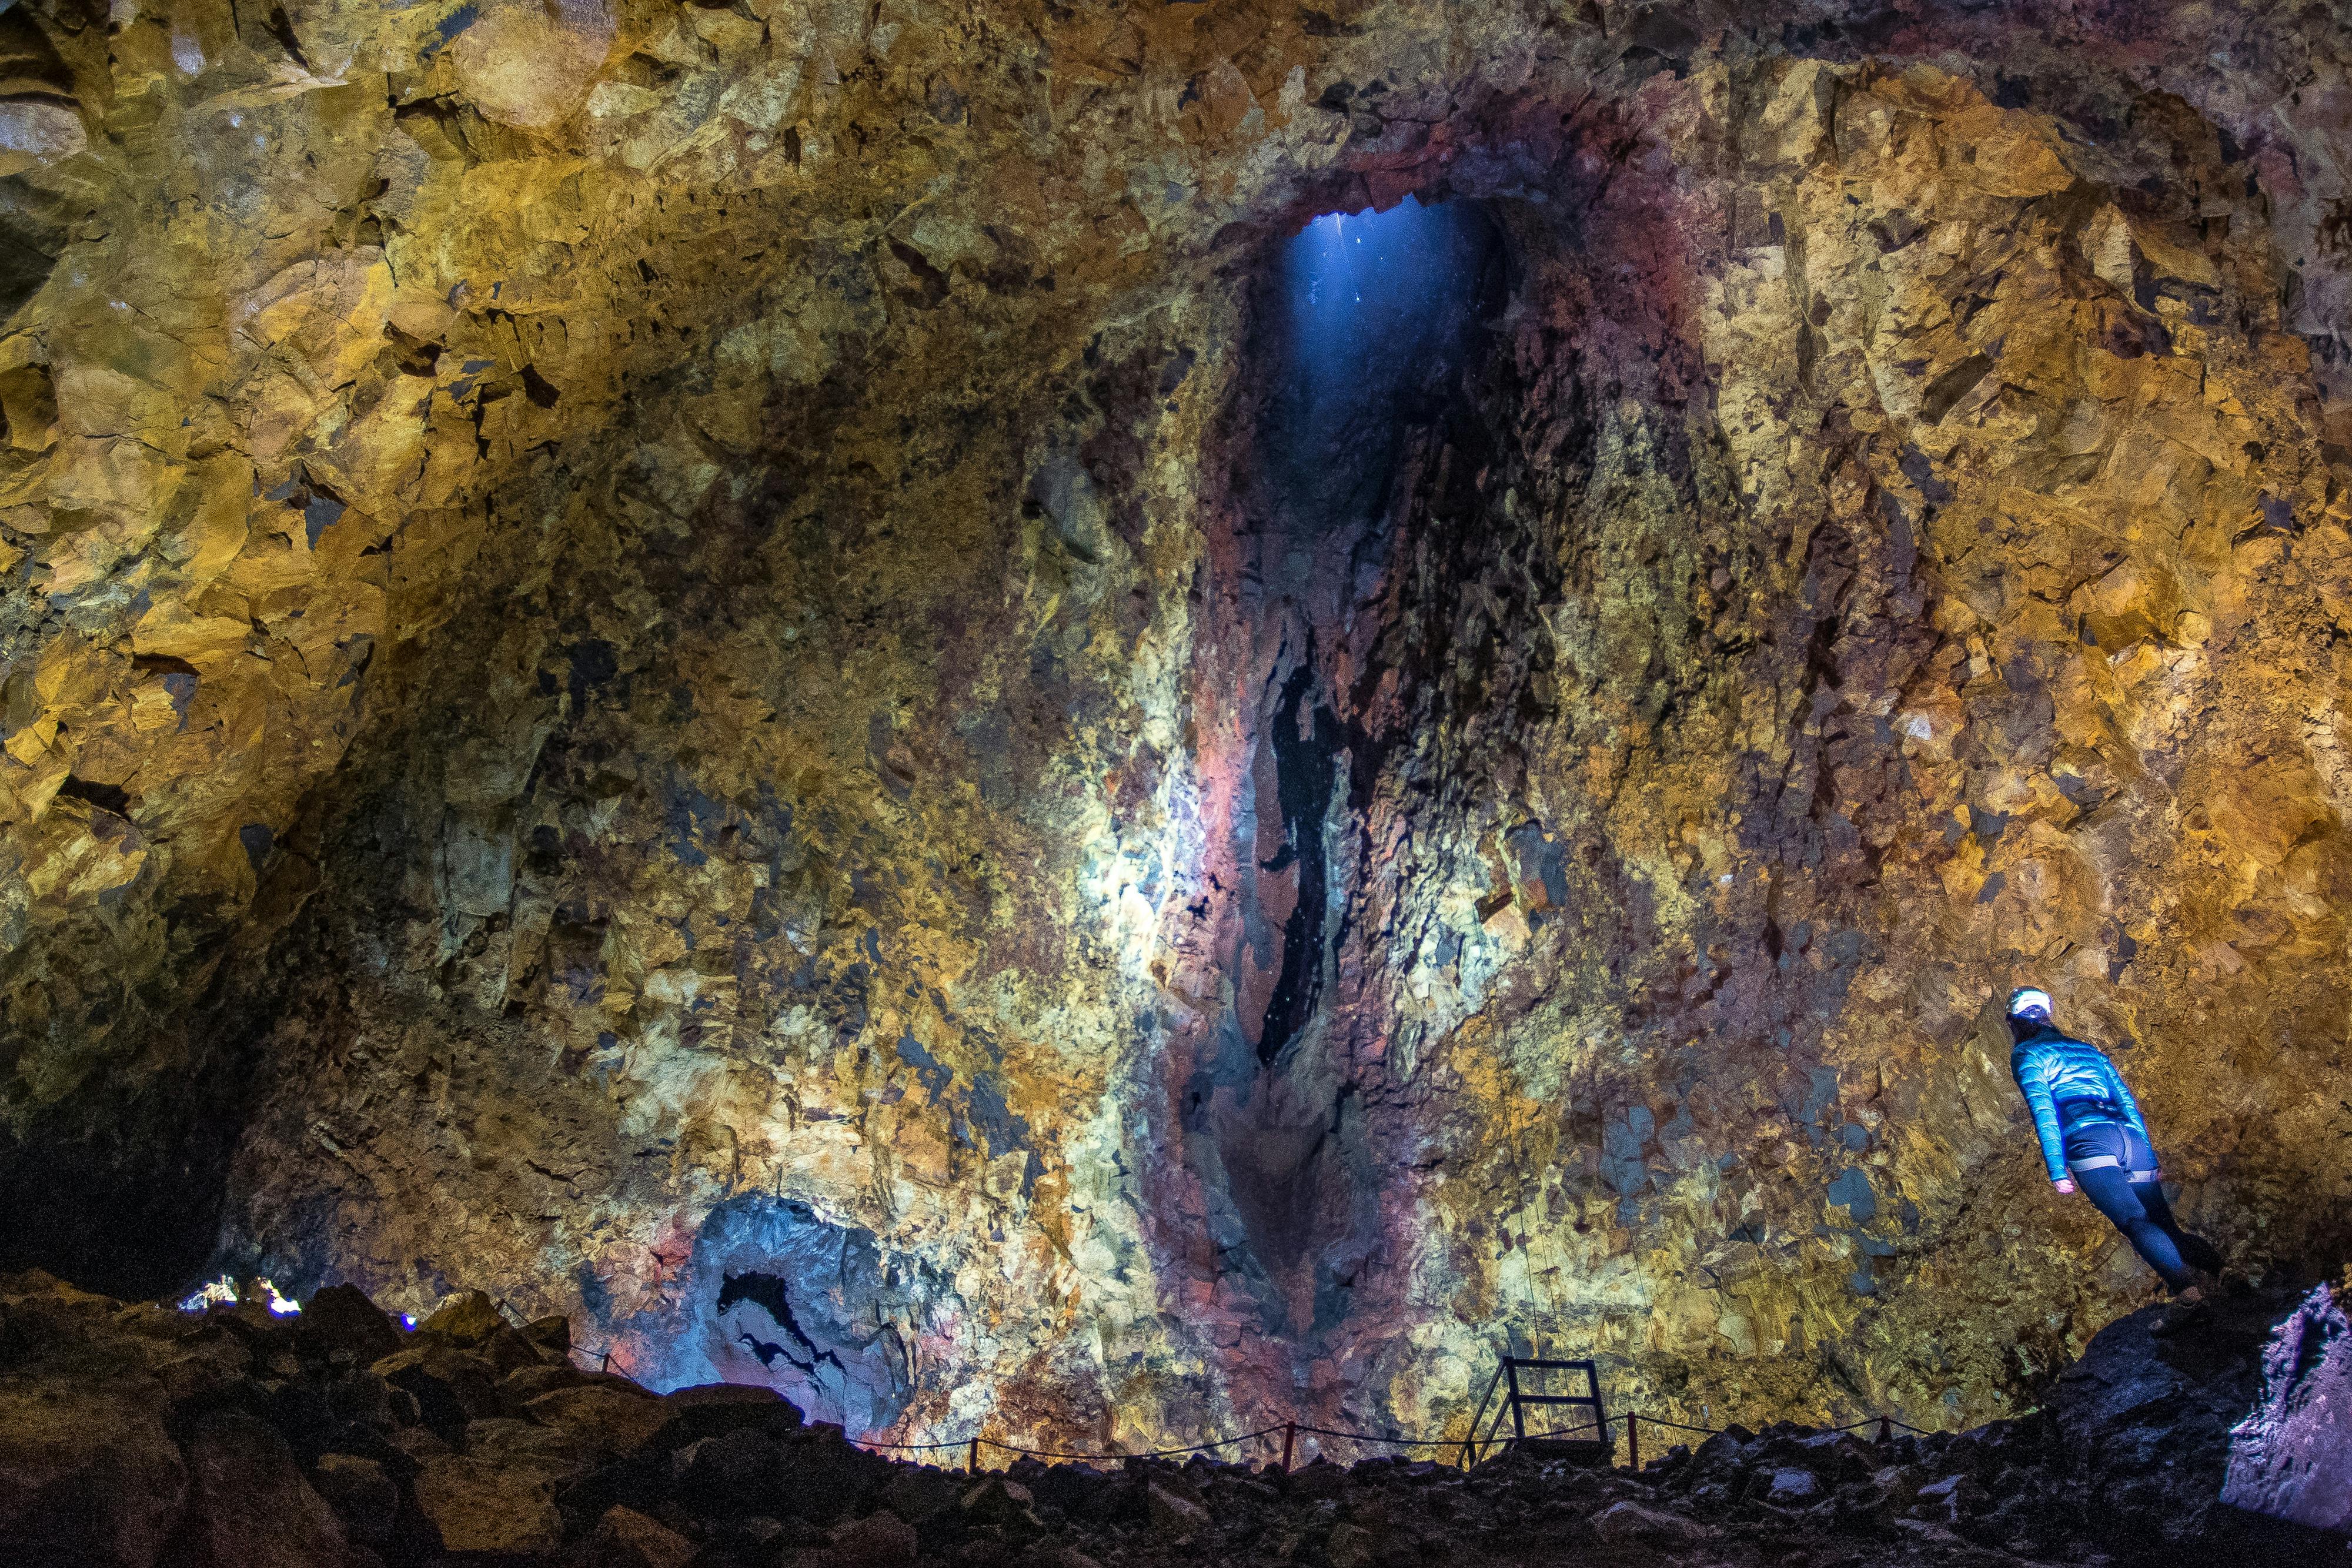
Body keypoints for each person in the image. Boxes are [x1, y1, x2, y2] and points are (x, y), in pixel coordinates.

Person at [2006, 986, 2223, 1310]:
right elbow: (2128, 1103)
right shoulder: (2089, 1051)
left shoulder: (2027, 1055)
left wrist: (2056, 1166)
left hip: (2090, 1138)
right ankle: (2222, 1277)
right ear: (2047, 1014)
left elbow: (2044, 1111)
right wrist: (2147, 1152)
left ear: (2014, 1021)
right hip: (2129, 1137)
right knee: (2166, 1226)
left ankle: (2188, 1293)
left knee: (2134, 1222)